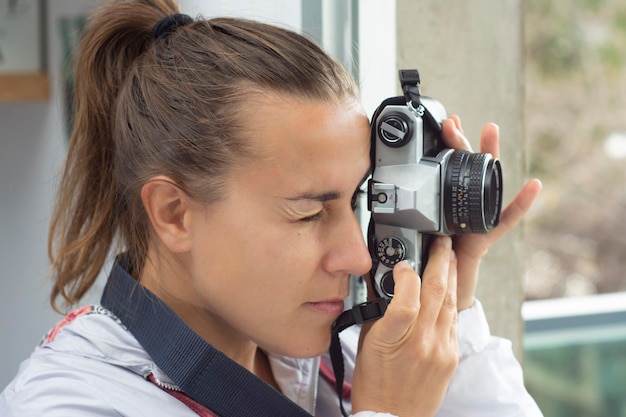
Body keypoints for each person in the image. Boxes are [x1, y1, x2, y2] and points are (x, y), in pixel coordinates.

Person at [0, 1, 544, 416]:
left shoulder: (342, 357)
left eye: (358, 200)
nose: (357, 258)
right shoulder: (70, 403)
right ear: (174, 214)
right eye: (309, 213)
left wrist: (453, 305)